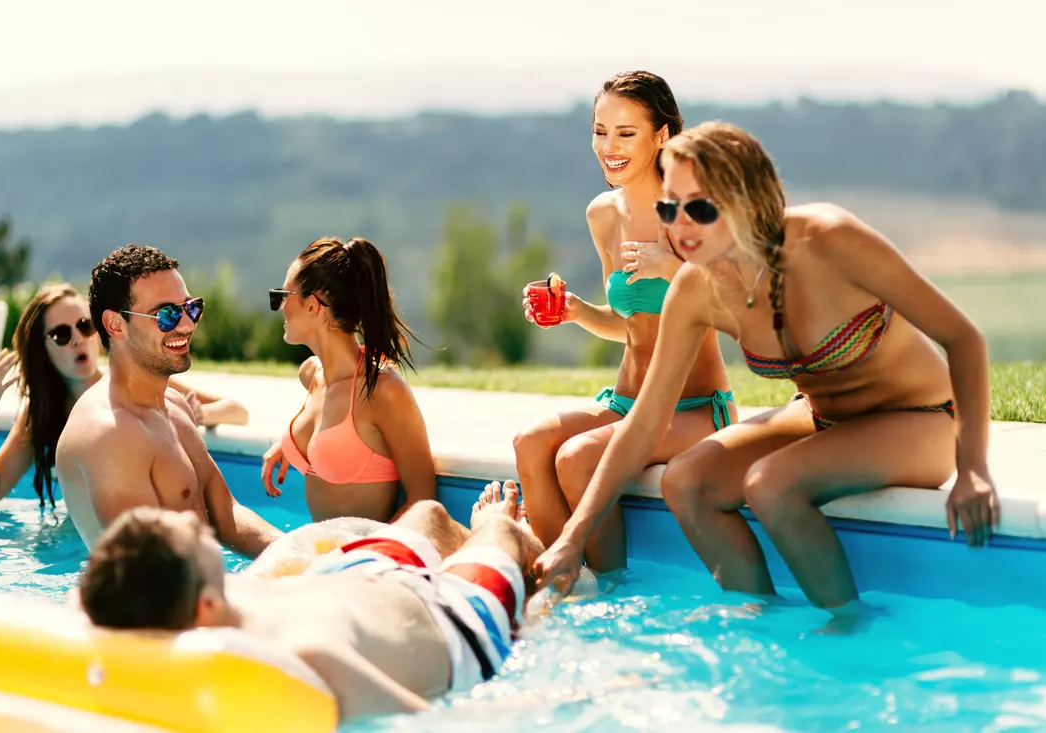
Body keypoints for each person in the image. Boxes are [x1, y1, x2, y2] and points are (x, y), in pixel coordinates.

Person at [535, 121, 998, 611]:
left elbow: (962, 337)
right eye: (670, 208)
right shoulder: (694, 290)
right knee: (686, 480)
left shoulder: (827, 239)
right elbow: (645, 422)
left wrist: (974, 470)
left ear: (748, 200)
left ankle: (847, 630)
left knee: (772, 484)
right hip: (819, 417)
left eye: (700, 207)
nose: (680, 226)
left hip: (922, 418)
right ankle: (758, 623)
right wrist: (571, 537)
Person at [76, 483, 541, 723]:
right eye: (198, 537)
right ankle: (502, 536)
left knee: (429, 513)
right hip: (453, 620)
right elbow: (435, 722)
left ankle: (472, 538)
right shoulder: (307, 657)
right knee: (503, 531)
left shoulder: (202, 596)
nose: (198, 526)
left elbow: (87, 596)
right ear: (206, 608)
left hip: (355, 576)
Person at [514, 71, 735, 573]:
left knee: (576, 458)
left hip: (695, 410)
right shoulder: (603, 216)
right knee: (530, 442)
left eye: (625, 133)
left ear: (662, 135)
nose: (608, 146)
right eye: (600, 131)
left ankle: (608, 589)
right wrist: (575, 311)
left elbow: (737, 310)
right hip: (626, 402)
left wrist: (674, 268)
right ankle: (558, 577)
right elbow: (626, 322)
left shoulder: (693, 215)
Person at [55, 245, 281, 557]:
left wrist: (298, 555)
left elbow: (226, 514)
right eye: (166, 315)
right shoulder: (110, 434)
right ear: (115, 325)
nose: (187, 325)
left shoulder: (174, 406)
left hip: (198, 589)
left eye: (191, 308)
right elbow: (150, 572)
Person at [0, 283, 248, 510]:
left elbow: (237, 411)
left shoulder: (134, 382)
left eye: (85, 326)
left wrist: (200, 414)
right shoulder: (42, 415)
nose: (78, 339)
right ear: (43, 350)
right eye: (61, 335)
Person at [259, 237, 436, 523]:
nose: (279, 306)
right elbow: (328, 425)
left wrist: (366, 554)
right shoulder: (312, 374)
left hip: (365, 556)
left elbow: (424, 501)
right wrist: (289, 444)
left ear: (314, 307)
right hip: (322, 550)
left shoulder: (382, 390)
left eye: (282, 295)